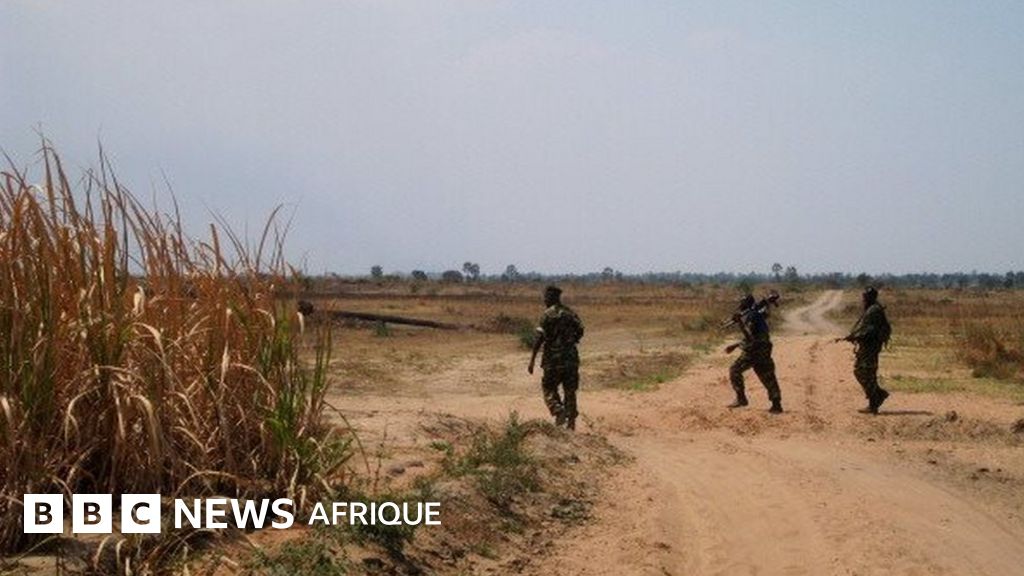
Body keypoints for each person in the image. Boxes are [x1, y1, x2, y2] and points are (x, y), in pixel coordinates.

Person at [528, 285, 585, 430]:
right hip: (571, 359)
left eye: (546, 297)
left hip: (552, 360)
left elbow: (539, 337)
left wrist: (532, 359)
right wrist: (571, 341)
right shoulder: (570, 313)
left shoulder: (547, 315)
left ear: (551, 297)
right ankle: (571, 423)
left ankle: (558, 410)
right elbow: (580, 330)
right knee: (570, 391)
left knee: (548, 387)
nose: (544, 300)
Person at [837, 286, 892, 414]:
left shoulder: (874, 310)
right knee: (865, 373)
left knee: (864, 373)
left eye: (865, 297)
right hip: (868, 347)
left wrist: (856, 336)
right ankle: (876, 398)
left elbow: (870, 331)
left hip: (870, 348)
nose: (863, 299)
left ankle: (876, 397)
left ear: (870, 297)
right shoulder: (872, 309)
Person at [725, 294, 783, 413]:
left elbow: (750, 337)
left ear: (745, 304)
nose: (740, 305)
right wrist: (768, 303)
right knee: (768, 375)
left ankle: (741, 399)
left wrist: (740, 323)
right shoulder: (757, 314)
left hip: (754, 350)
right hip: (765, 349)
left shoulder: (751, 316)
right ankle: (776, 404)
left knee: (735, 370)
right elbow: (765, 315)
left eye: (742, 302)